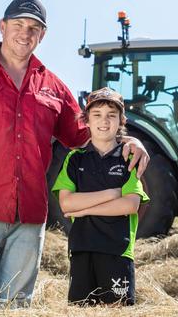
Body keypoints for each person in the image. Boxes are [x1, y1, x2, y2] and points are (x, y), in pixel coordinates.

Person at [0, 0, 150, 306]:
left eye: (34, 28)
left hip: (28, 218)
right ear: (2, 27)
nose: (25, 34)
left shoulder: (52, 86)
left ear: (43, 35)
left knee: (16, 306)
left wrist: (132, 141)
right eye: (18, 25)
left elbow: (84, 137)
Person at [52, 87, 149, 306]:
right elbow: (67, 202)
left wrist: (85, 209)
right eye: (97, 115)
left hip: (118, 248)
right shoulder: (75, 160)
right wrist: (111, 193)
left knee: (117, 309)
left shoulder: (129, 158)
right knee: (81, 309)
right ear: (86, 120)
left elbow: (130, 205)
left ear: (121, 121)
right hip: (82, 247)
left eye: (111, 116)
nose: (103, 121)